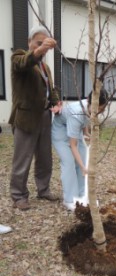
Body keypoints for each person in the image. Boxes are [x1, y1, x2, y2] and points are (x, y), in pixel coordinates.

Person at [8, 25, 61, 211]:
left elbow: (50, 89)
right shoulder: (19, 57)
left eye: (45, 44)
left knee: (45, 157)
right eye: (39, 43)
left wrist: (56, 102)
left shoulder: (45, 67)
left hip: (45, 116)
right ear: (30, 42)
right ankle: (18, 196)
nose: (43, 48)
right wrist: (40, 49)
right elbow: (24, 63)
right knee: (22, 159)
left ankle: (43, 189)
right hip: (25, 119)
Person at [52, 89, 108, 211]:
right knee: (69, 162)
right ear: (90, 102)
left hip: (73, 128)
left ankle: (83, 196)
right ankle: (70, 200)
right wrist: (83, 167)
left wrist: (86, 132)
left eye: (103, 108)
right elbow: (73, 145)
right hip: (61, 130)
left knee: (82, 157)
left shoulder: (90, 108)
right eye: (100, 108)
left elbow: (84, 121)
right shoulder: (76, 113)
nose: (101, 111)